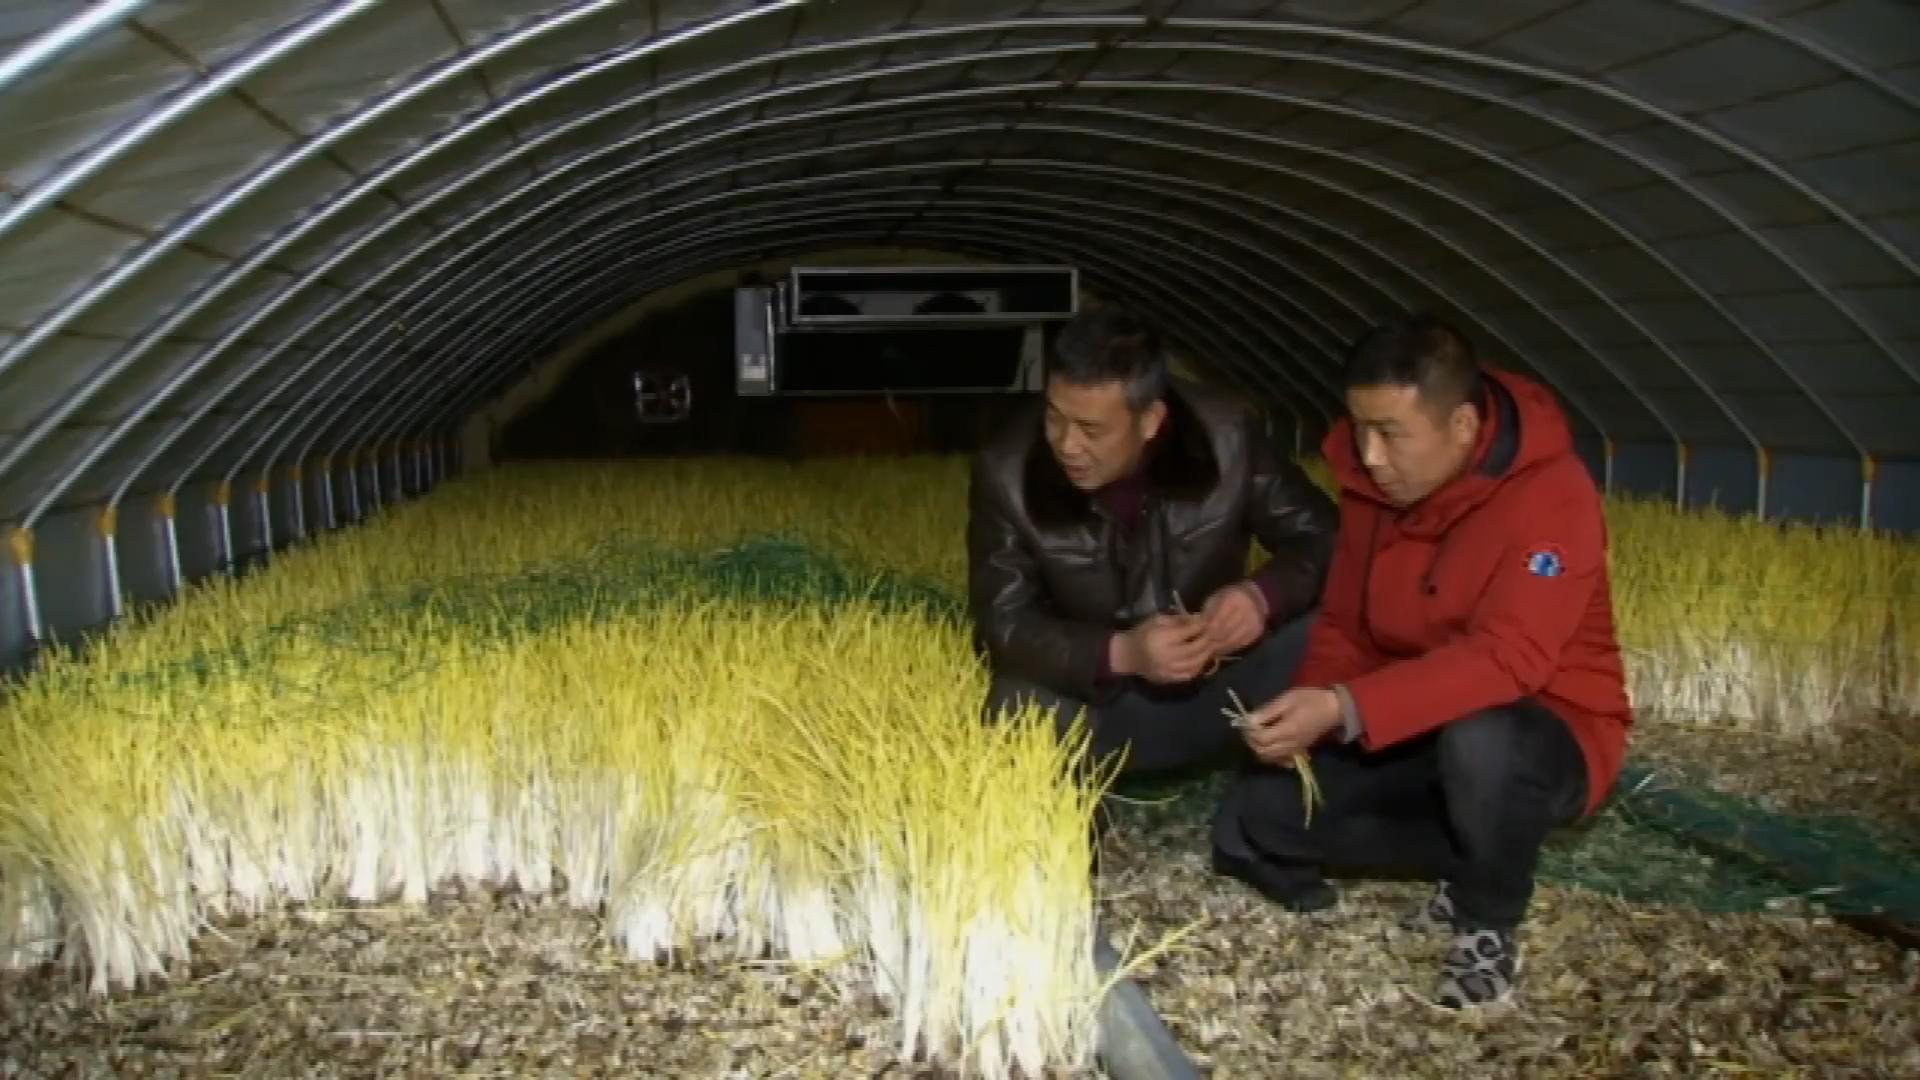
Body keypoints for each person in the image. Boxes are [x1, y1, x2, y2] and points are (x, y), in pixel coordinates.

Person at [1209, 313, 1634, 1009]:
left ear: (1462, 426)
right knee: (1266, 811)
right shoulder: (1377, 487)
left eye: (1390, 434)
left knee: (1485, 742)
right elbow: (1344, 623)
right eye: (1359, 429)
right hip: (1411, 725)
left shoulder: (1553, 494)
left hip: (1540, 730)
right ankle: (1475, 843)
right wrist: (1312, 710)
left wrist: (1345, 707)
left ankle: (1485, 918)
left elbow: (1511, 659)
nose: (1370, 456)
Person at [966, 306, 1338, 795]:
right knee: (1016, 706)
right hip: (1103, 704)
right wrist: (1122, 652)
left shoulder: (1227, 436)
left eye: (1091, 430)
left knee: (1337, 626)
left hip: (1228, 687)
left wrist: (1262, 596)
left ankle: (1296, 799)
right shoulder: (1007, 472)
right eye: (1054, 418)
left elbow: (1326, 536)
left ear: (1151, 420)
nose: (1066, 445)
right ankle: (1075, 826)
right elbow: (1003, 623)